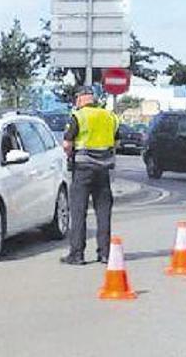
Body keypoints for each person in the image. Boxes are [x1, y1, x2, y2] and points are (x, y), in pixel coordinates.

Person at [60, 86, 120, 266]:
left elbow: (66, 144)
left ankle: (77, 255)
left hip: (83, 169)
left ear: (79, 99)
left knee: (78, 211)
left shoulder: (78, 116)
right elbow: (117, 141)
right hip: (103, 170)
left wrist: (71, 155)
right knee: (103, 212)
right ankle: (104, 254)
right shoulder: (110, 116)